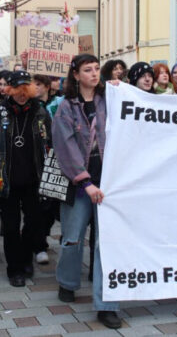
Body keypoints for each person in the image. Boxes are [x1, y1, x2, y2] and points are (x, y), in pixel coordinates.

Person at [52, 54, 122, 329]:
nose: (94, 74)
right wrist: (85, 182)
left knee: (106, 243)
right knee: (72, 238)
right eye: (87, 70)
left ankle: (106, 305)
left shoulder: (112, 100)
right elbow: (65, 147)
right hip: (79, 183)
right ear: (76, 75)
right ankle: (67, 281)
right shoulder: (66, 107)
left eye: (96, 69)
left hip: (109, 182)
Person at [0, 70, 51, 287]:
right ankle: (14, 268)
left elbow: (50, 144)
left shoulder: (41, 113)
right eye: (18, 91)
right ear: (10, 91)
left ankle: (26, 261)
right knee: (11, 226)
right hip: (8, 180)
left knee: (33, 224)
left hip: (35, 179)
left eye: (26, 90)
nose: (22, 95)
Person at [32, 73, 60, 265]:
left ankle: (44, 233)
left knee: (52, 205)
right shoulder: (31, 107)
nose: (35, 87)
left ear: (47, 86)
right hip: (37, 161)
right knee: (39, 205)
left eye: (39, 84)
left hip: (58, 159)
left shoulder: (59, 103)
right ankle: (39, 244)